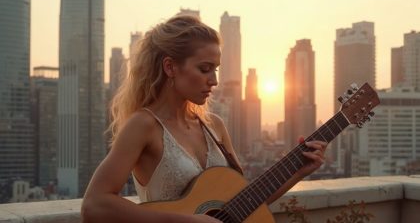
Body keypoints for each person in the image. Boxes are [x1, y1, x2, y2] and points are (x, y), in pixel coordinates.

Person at [81, 15, 327, 223]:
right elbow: (94, 205)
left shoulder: (214, 126)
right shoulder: (144, 125)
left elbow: (244, 203)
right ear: (170, 67)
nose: (214, 80)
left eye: (215, 69)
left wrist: (298, 172)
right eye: (204, 69)